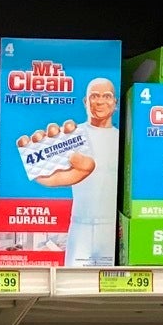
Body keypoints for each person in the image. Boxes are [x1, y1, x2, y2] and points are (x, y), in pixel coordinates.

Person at [29, 76, 118, 265]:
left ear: (115, 103)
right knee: (72, 285)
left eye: (107, 96)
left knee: (110, 288)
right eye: (94, 96)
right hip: (80, 225)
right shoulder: (73, 137)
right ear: (85, 101)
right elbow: (52, 177)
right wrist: (39, 169)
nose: (100, 101)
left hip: (112, 227)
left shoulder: (123, 138)